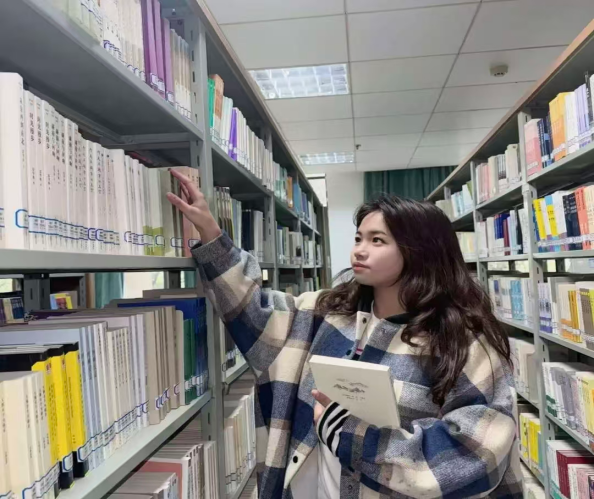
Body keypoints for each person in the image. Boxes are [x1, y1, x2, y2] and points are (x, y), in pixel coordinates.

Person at [167, 169, 522, 499]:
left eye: (378, 240)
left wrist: (350, 434)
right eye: (358, 238)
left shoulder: (463, 342)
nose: (359, 250)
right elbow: (255, 311)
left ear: (420, 251)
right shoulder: (325, 314)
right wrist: (210, 233)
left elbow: (477, 452)